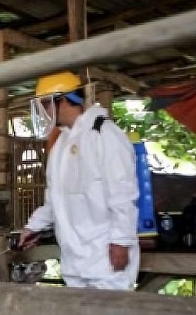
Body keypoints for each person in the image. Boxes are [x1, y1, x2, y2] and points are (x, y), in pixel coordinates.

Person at [19, 71, 140, 290]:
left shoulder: (105, 134)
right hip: (74, 258)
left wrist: (121, 242)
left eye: (46, 104)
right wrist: (33, 228)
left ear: (63, 100)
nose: (44, 112)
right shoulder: (61, 144)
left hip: (106, 258)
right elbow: (54, 198)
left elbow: (122, 194)